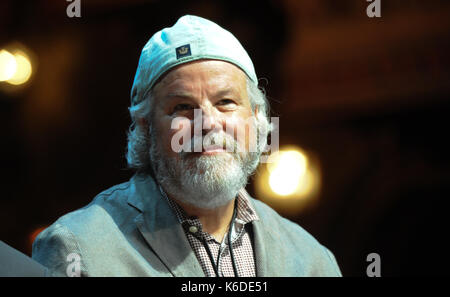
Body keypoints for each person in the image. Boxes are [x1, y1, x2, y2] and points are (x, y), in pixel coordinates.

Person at [32, 15, 342, 277]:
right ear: (146, 128)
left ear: (258, 119)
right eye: (182, 107)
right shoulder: (78, 248)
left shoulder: (312, 261)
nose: (208, 122)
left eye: (226, 102)